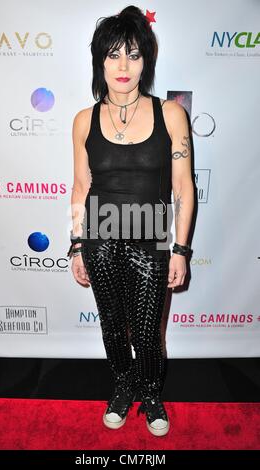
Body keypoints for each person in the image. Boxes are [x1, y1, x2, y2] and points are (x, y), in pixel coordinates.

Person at [67, 5, 194, 437]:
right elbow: (80, 187)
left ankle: (151, 393)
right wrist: (76, 244)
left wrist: (180, 248)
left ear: (146, 61)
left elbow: (184, 188)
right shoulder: (84, 120)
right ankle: (122, 386)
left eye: (134, 55)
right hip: (100, 239)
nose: (123, 66)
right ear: (100, 60)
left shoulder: (171, 114)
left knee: (147, 331)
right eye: (114, 54)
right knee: (111, 324)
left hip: (150, 241)